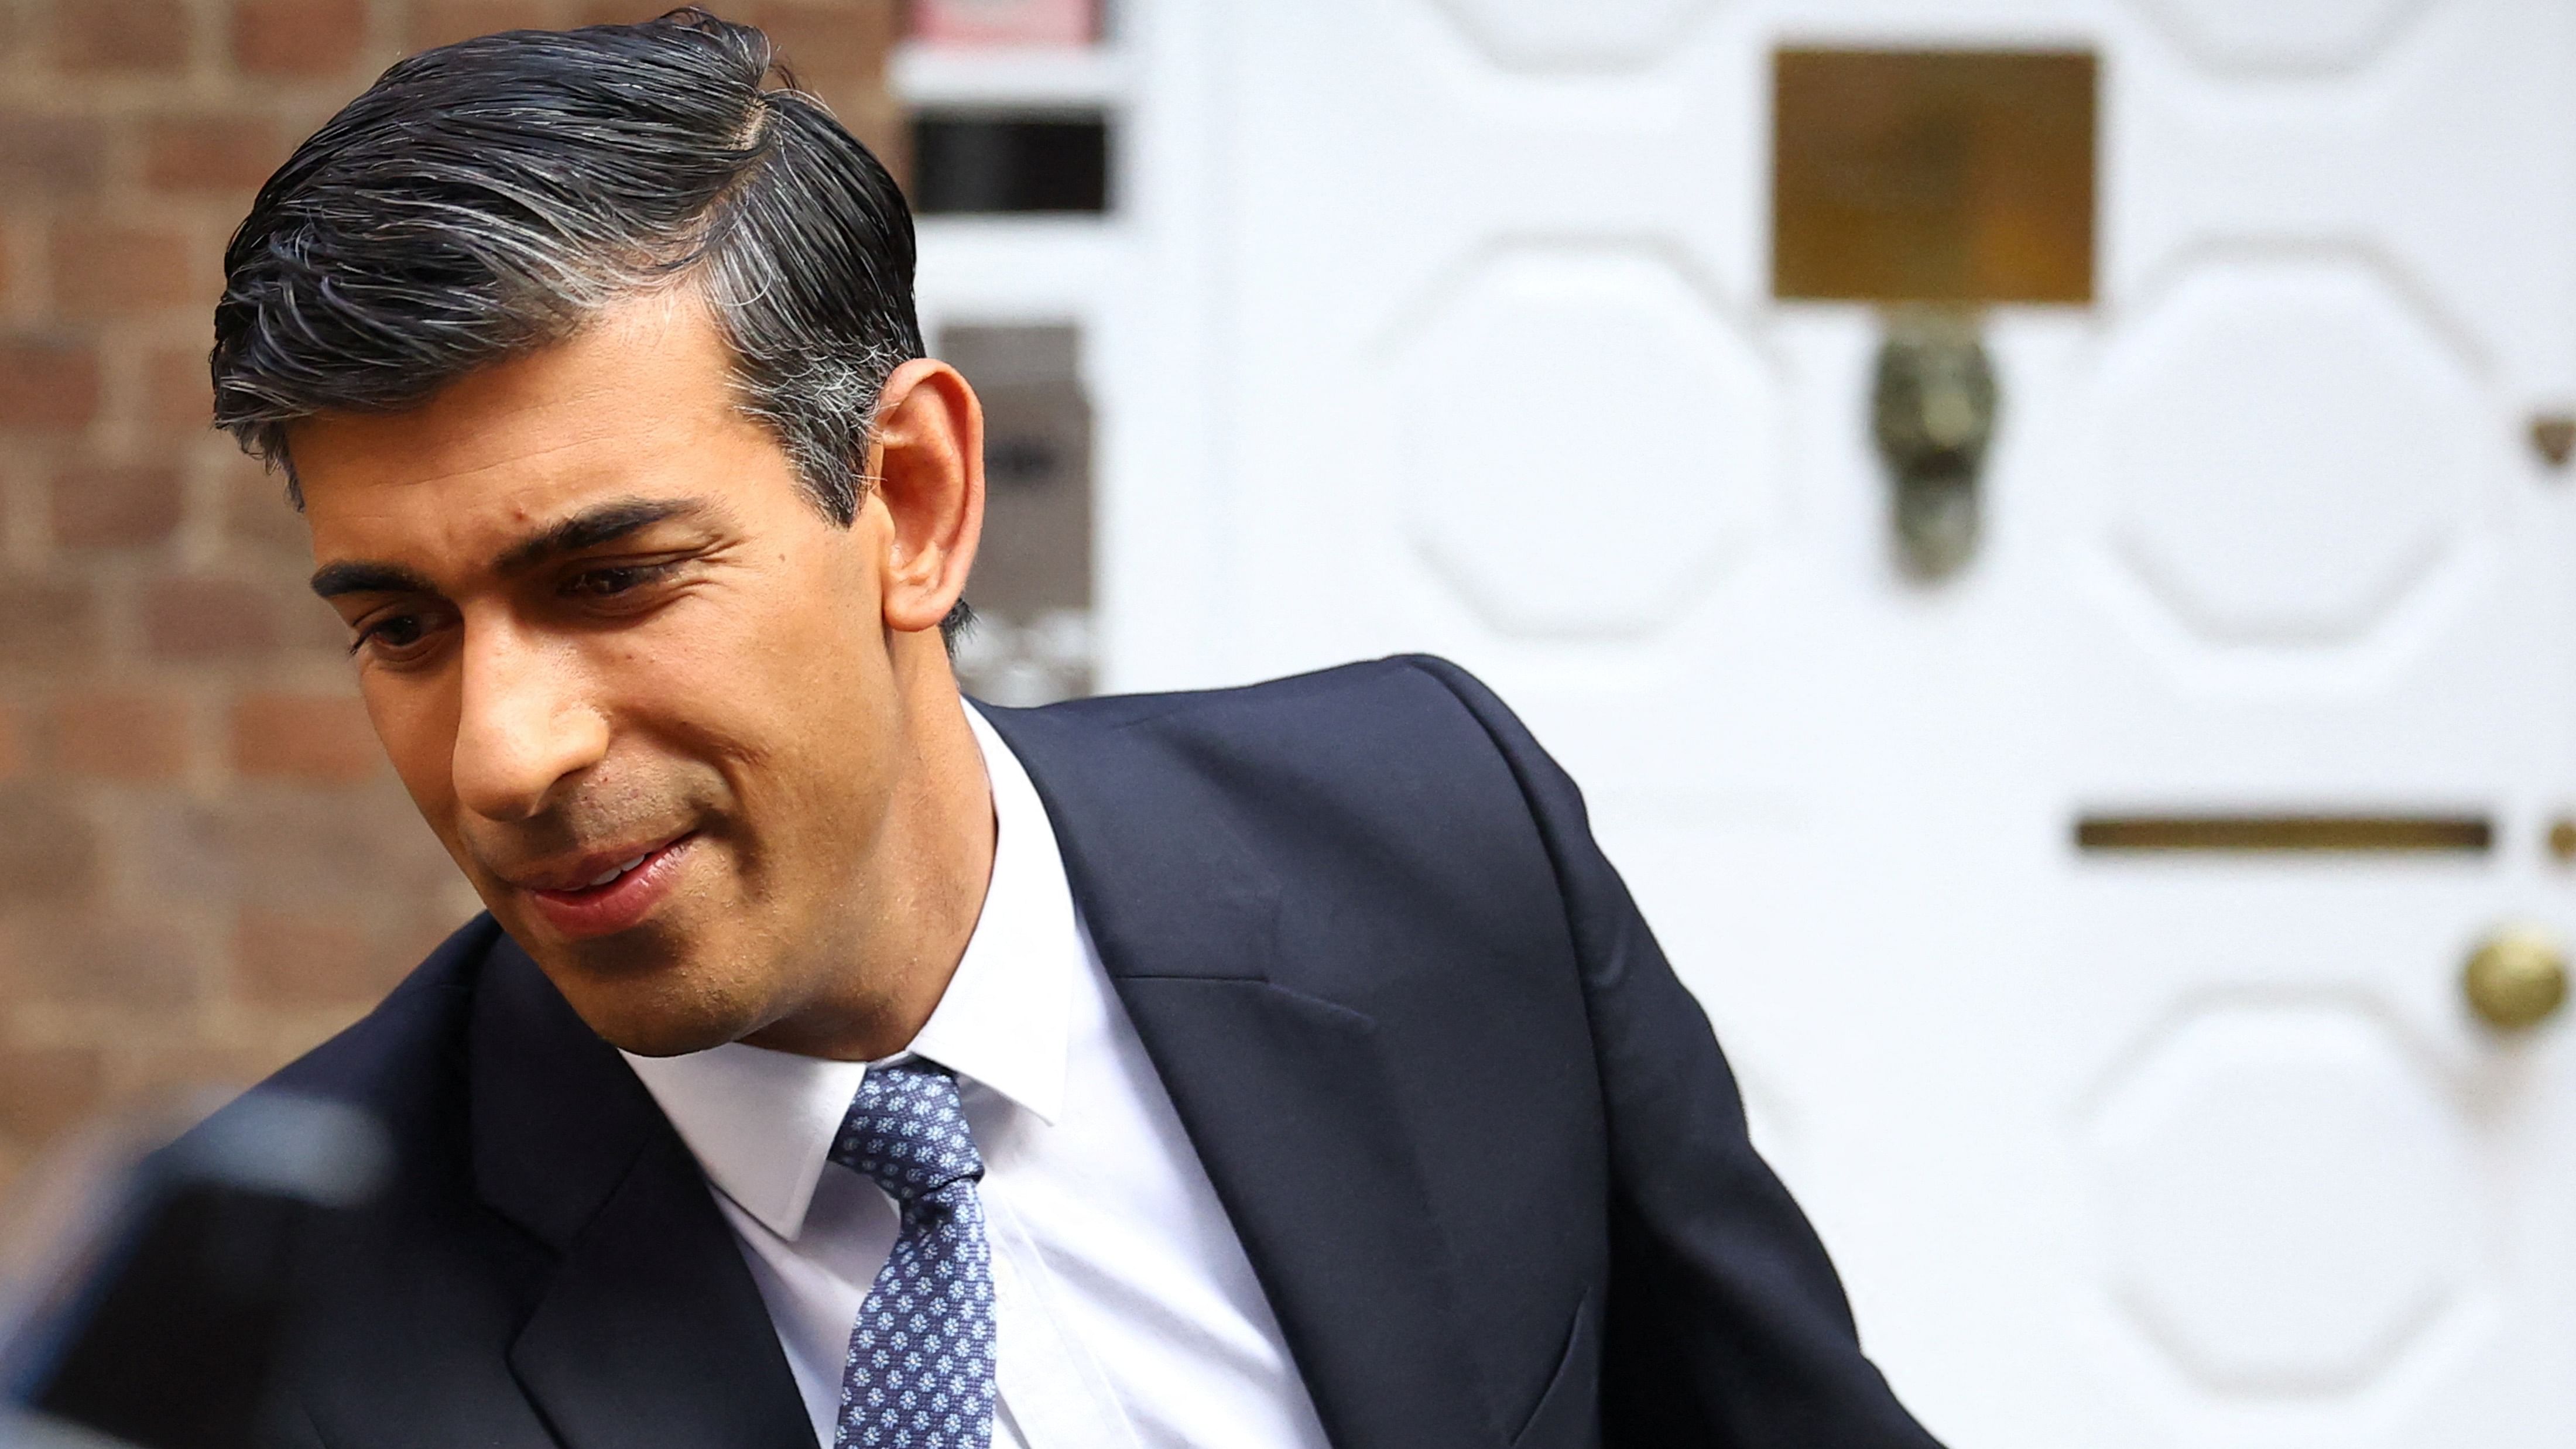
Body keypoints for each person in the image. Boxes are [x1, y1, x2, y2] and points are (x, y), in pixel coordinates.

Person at [117, 11, 1944, 1448]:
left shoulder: (1445, 848)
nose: (501, 753)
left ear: (908, 500)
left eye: (609, 578)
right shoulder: (262, 1316)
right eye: (401, 627)